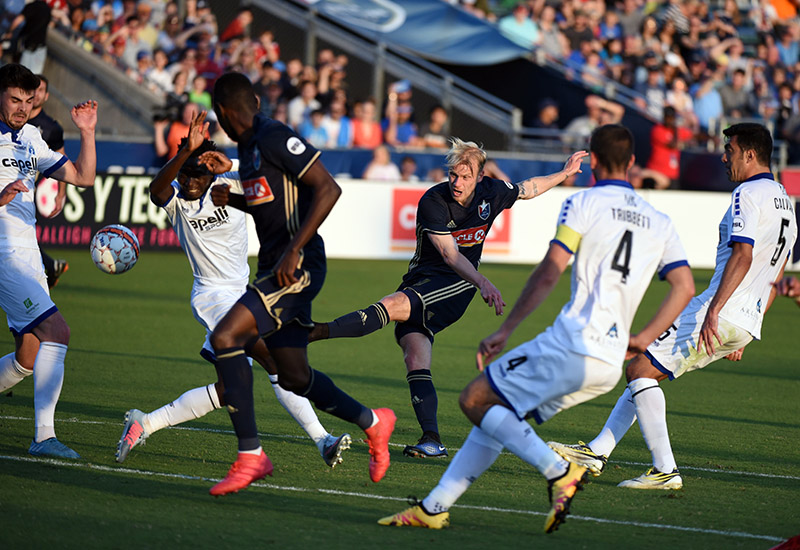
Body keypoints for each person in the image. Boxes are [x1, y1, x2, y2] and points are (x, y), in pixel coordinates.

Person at [377, 124, 695, 533]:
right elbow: (684, 287)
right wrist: (643, 339)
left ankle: (558, 471)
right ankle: (434, 507)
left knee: (475, 398)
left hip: (573, 343)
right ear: (633, 162)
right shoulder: (659, 219)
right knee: (497, 413)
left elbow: (549, 272)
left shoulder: (585, 204)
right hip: (611, 361)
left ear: (593, 160)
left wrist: (505, 329)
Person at [549, 122, 797, 490]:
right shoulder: (785, 202)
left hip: (721, 310)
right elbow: (771, 274)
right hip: (745, 318)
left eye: (729, 149)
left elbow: (742, 255)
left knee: (639, 369)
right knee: (647, 370)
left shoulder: (748, 192)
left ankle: (665, 469)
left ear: (749, 153)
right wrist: (744, 331)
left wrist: (714, 310)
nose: (723, 156)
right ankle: (598, 451)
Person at [309, 138, 588, 458]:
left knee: (393, 304)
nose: (457, 182)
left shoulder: (492, 193)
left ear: (480, 177)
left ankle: (313, 332)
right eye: (453, 175)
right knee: (415, 355)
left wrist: (564, 173)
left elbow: (529, 188)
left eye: (465, 177)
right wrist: (484, 280)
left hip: (458, 284)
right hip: (426, 278)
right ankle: (432, 439)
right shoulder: (434, 200)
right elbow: (447, 251)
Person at [115, 112, 351, 469]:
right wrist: (183, 154)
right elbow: (155, 190)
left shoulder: (231, 182)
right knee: (274, 358)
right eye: (185, 174)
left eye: (198, 173)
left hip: (244, 291)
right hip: (212, 296)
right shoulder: (177, 200)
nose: (190, 181)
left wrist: (231, 162)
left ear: (212, 170)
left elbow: (277, 173)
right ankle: (322, 440)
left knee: (227, 390)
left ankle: (146, 422)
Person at [204, 72, 395, 496]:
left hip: (296, 265)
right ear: (252, 100)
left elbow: (328, 188)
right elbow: (269, 204)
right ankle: (374, 422)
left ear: (221, 112)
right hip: (276, 265)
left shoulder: (273, 135)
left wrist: (295, 249)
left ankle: (250, 456)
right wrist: (232, 199)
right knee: (292, 375)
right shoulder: (247, 146)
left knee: (226, 336)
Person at [0, 63, 98, 458]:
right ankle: (44, 437)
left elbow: (83, 178)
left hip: (27, 252)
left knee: (29, 354)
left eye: (28, 100)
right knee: (57, 331)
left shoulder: (32, 139)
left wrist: (87, 133)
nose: (22, 107)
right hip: (3, 252)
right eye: (14, 99)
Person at [28, 74, 69, 288]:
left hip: (24, 190)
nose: (35, 94)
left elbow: (62, 161)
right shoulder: (12, 118)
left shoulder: (50, 127)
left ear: (46, 96)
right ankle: (50, 265)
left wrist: (61, 194)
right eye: (32, 88)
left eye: (40, 90)